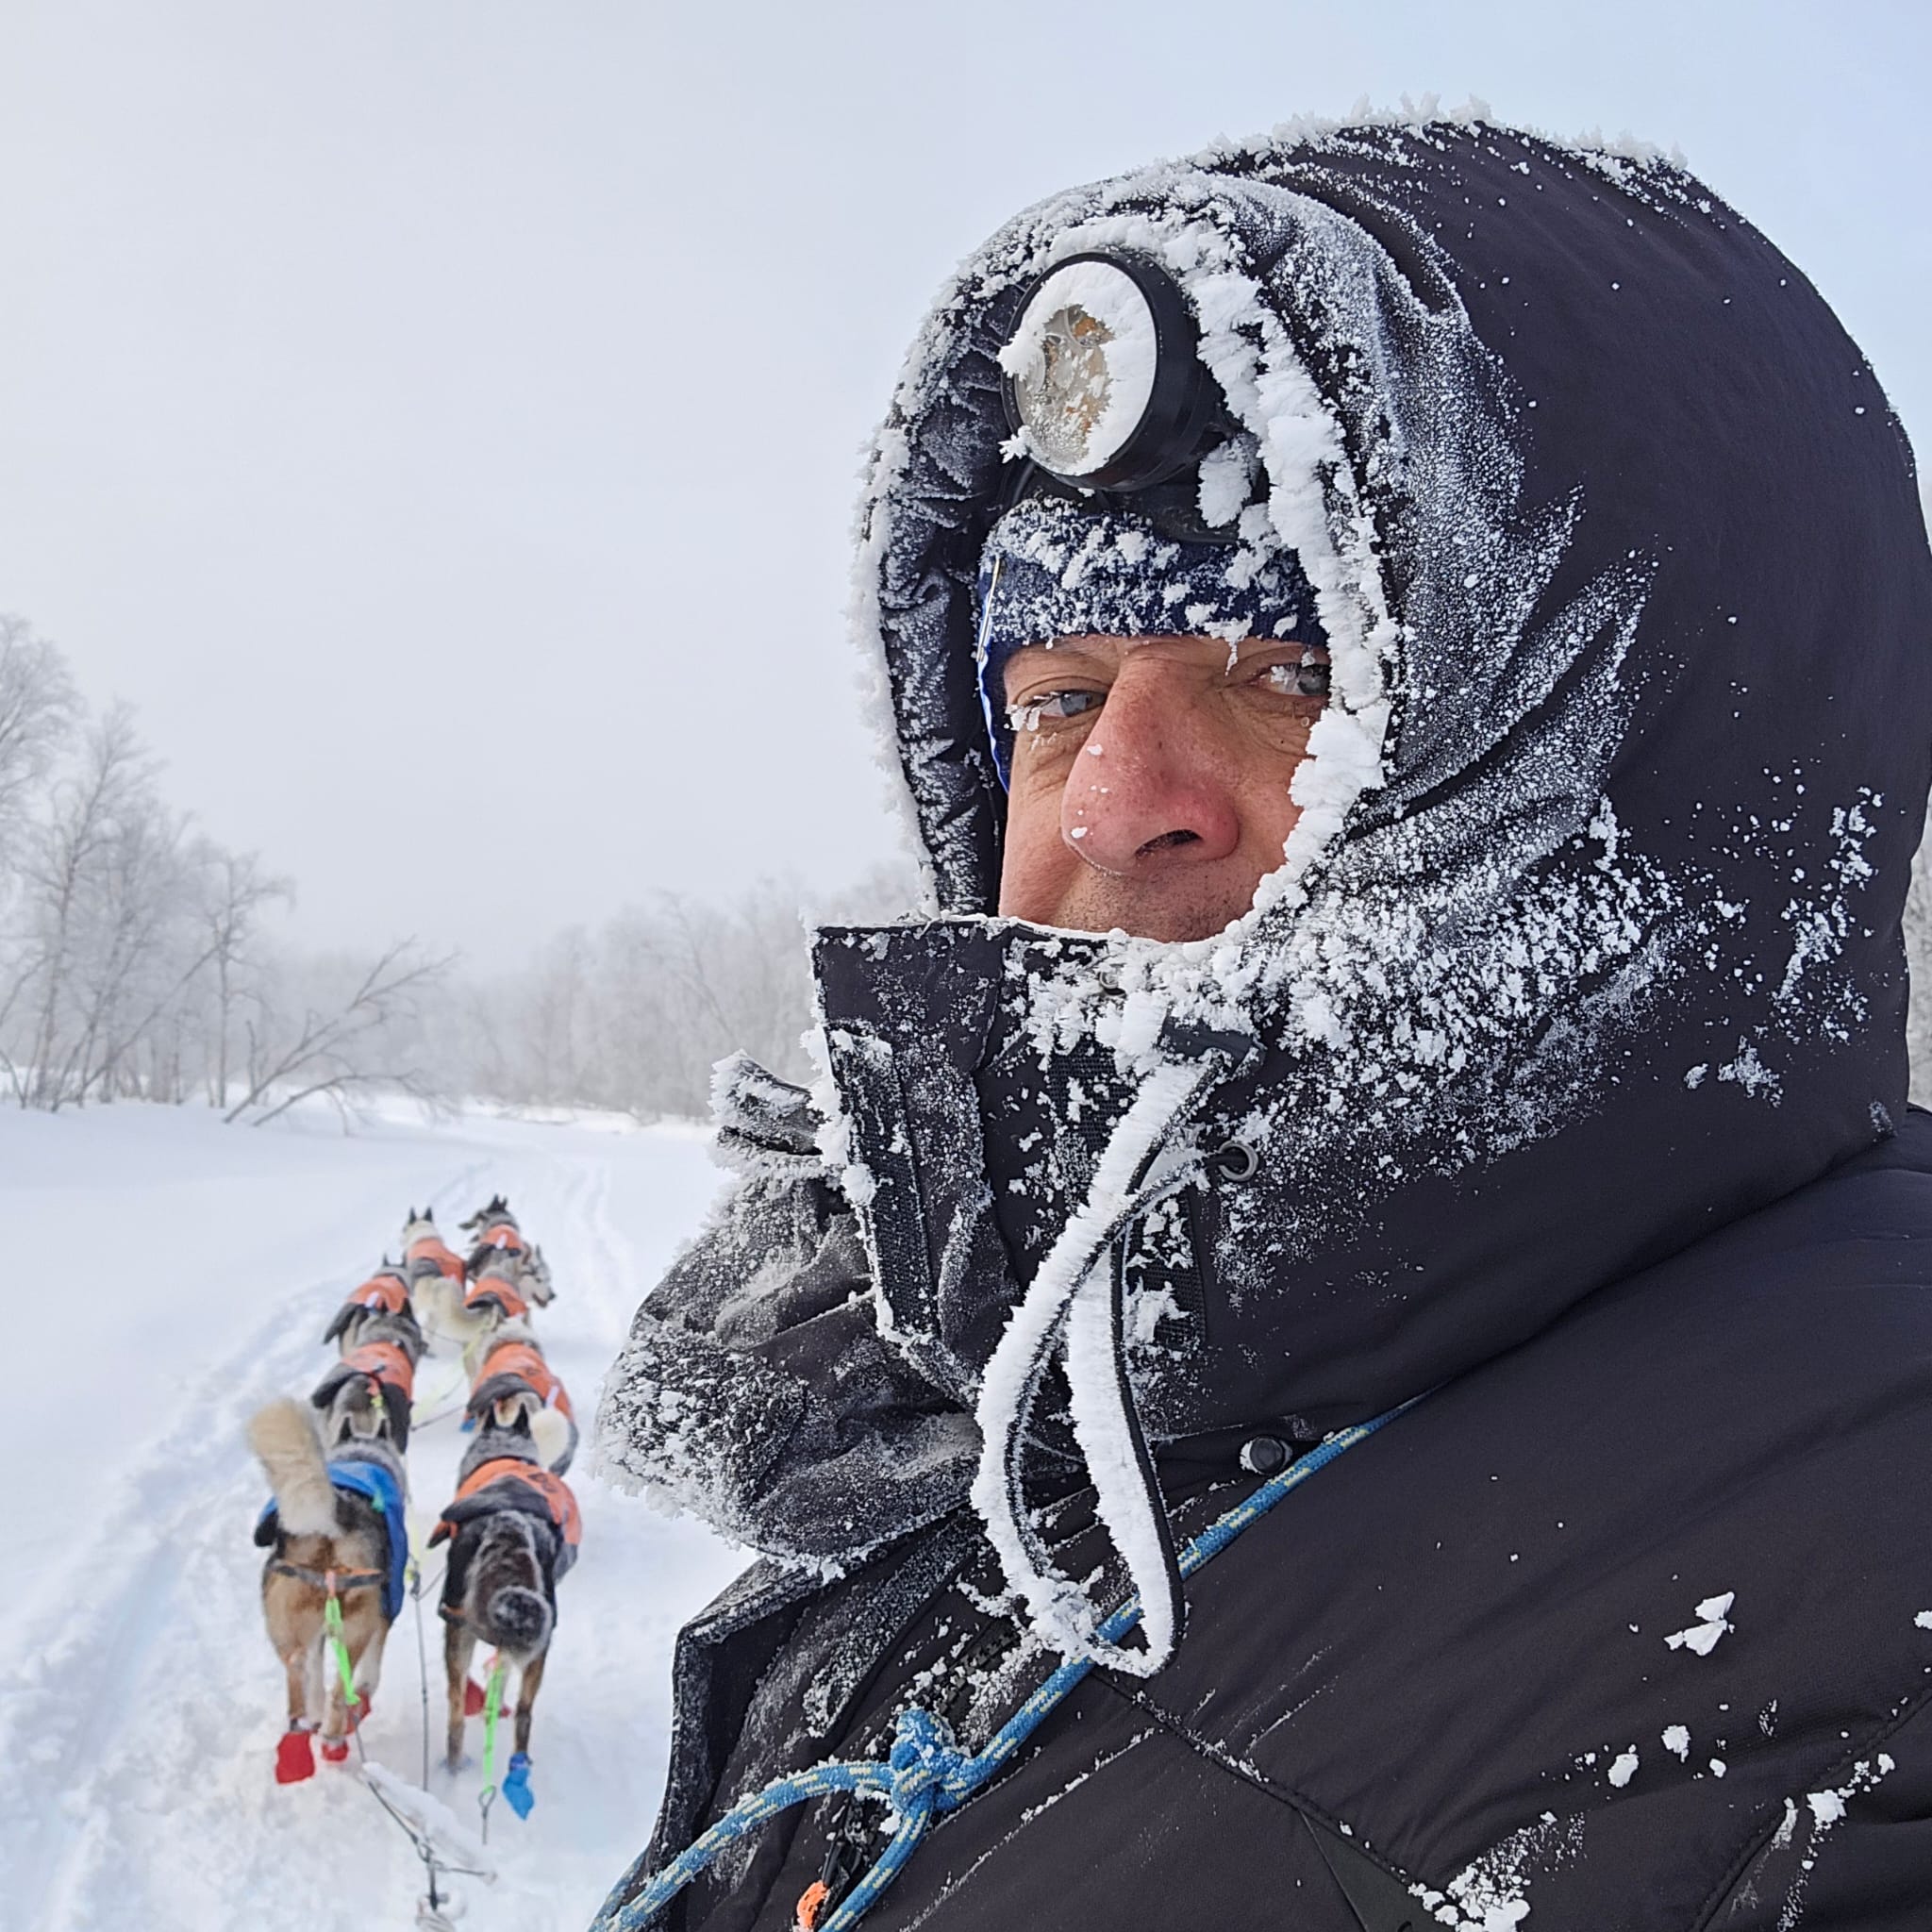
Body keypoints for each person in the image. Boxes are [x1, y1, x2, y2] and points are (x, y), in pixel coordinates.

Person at [592, 114, 1932, 1930]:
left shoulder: (1864, 1637)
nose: (1106, 806)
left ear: (1653, 758)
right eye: (1058, 699)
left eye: (1292, 676)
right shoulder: (1012, 1373)